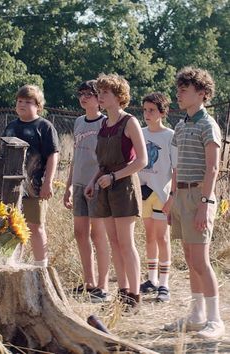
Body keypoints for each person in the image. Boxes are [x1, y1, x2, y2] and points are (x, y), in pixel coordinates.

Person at [165, 67, 225, 340]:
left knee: (201, 260)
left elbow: (213, 169)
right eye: (178, 89)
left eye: (185, 90)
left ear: (202, 94)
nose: (179, 94)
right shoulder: (180, 125)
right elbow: (177, 166)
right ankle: (197, 315)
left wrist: (204, 202)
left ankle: (216, 320)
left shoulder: (208, 125)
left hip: (200, 196)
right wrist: (173, 199)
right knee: (190, 259)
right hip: (181, 196)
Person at [85, 73, 148, 308]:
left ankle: (135, 296)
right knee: (113, 242)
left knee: (126, 242)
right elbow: (102, 163)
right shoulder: (103, 123)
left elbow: (141, 161)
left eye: (105, 92)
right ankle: (122, 294)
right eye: (99, 92)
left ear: (119, 96)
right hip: (105, 184)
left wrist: (113, 177)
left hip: (124, 186)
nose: (100, 96)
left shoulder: (129, 121)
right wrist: (93, 181)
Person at [64, 80, 110, 302]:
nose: (83, 98)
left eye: (88, 94)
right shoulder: (79, 122)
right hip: (80, 184)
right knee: (80, 233)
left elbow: (105, 159)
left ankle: (103, 286)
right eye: (80, 94)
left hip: (97, 185)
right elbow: (75, 157)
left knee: (97, 234)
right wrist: (69, 186)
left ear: (98, 98)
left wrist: (95, 181)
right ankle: (89, 283)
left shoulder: (105, 123)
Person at [3, 84, 59, 267]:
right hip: (9, 187)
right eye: (20, 101)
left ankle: (40, 267)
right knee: (10, 226)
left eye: (28, 101)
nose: (22, 105)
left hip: (35, 187)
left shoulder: (44, 126)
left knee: (35, 226)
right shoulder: (11, 127)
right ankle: (12, 264)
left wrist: (48, 182)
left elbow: (53, 155)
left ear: (38, 105)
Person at [139, 92, 177, 302]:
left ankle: (164, 283)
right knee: (149, 236)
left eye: (152, 110)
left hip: (162, 193)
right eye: (145, 110)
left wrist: (172, 196)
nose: (147, 114)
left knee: (163, 237)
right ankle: (151, 279)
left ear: (162, 112)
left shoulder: (170, 136)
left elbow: (176, 169)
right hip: (143, 193)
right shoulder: (140, 133)